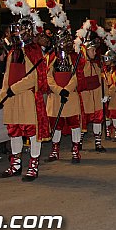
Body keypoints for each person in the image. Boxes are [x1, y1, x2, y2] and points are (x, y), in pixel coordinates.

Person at [0, 16, 50, 181]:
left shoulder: (34, 51)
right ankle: (16, 164)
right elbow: (7, 76)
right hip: (12, 98)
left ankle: (33, 166)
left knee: (32, 132)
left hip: (27, 96)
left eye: (22, 30)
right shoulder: (13, 51)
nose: (18, 33)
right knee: (15, 131)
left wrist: (14, 88)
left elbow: (34, 77)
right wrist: (2, 96)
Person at [45, 29, 84, 164]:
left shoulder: (73, 58)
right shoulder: (50, 58)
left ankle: (75, 150)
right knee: (57, 125)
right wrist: (58, 90)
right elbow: (48, 77)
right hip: (56, 97)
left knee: (74, 124)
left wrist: (67, 89)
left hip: (70, 97)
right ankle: (55, 150)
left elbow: (76, 76)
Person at [78, 37, 107, 152]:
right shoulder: (80, 66)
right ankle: (78, 142)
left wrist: (106, 94)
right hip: (85, 98)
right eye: (92, 50)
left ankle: (98, 143)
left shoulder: (96, 66)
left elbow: (102, 81)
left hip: (97, 98)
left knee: (97, 120)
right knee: (82, 120)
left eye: (95, 50)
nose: (95, 53)